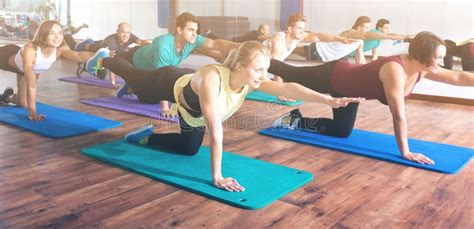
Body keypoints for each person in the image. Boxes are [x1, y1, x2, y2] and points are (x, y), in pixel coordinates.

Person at [88, 41, 363, 191]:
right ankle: (102, 58)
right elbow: (215, 128)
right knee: (137, 79)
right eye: (258, 69)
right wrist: (217, 177)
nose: (263, 76)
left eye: (265, 70)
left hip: (190, 109)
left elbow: (287, 86)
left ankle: (145, 138)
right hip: (168, 83)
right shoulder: (212, 78)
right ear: (241, 66)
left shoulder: (250, 80)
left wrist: (329, 99)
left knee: (188, 149)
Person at [269, 31, 474, 165]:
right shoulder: (395, 69)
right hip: (332, 76)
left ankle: (294, 119)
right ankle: (247, 58)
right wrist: (406, 151)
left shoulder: (423, 68)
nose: (441, 61)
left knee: (341, 132)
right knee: (288, 72)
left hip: (348, 93)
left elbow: (458, 76)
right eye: (438, 57)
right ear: (422, 55)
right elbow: (398, 115)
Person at [92, 12, 240, 118]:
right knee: (122, 64)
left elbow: (215, 43)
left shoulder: (192, 41)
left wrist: (240, 47)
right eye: (191, 30)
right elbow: (163, 77)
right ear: (179, 30)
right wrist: (165, 107)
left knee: (149, 98)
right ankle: (101, 59)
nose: (195, 34)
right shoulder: (164, 45)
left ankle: (130, 87)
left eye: (196, 30)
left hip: (152, 72)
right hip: (136, 59)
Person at [0, 20, 109, 121]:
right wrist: (32, 113)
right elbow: (31, 87)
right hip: (4, 56)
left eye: (60, 33)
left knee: (23, 103)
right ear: (43, 35)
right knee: (28, 103)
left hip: (23, 68)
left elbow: (78, 56)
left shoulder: (60, 48)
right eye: (52, 33)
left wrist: (101, 56)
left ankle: (7, 97)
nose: (57, 37)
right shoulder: (31, 49)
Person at [263, 12, 355, 102]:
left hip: (266, 68)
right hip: (257, 65)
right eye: (299, 28)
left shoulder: (297, 37)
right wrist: (281, 93)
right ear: (290, 29)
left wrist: (341, 39)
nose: (302, 31)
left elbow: (318, 37)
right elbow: (275, 67)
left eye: (303, 28)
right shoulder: (278, 40)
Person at [67, 22, 150, 84]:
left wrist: (153, 45)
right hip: (90, 47)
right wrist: (113, 82)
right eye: (123, 32)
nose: (126, 35)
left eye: (128, 32)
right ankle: (72, 38)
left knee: (102, 76)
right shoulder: (111, 43)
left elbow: (141, 42)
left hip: (99, 45)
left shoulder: (130, 36)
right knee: (75, 47)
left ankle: (89, 39)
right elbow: (112, 64)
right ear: (117, 32)